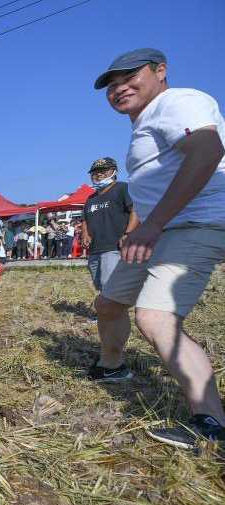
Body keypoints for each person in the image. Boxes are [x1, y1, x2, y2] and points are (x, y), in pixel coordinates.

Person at [91, 48, 225, 449]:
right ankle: (112, 367)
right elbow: (152, 187)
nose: (119, 88)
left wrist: (152, 224)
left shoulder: (176, 102)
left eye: (129, 77)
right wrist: (139, 227)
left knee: (155, 317)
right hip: (160, 229)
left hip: (194, 223)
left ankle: (212, 422)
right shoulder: (146, 122)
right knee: (109, 303)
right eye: (111, 85)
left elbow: (208, 151)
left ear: (160, 71)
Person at [81, 157, 139, 292]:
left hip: (114, 247)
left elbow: (135, 211)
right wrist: (85, 233)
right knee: (99, 286)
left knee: (110, 286)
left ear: (113, 171)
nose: (99, 174)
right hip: (95, 249)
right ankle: (107, 312)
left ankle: (112, 312)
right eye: (95, 172)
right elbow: (84, 219)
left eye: (103, 170)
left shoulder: (123, 188)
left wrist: (128, 233)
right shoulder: (90, 198)